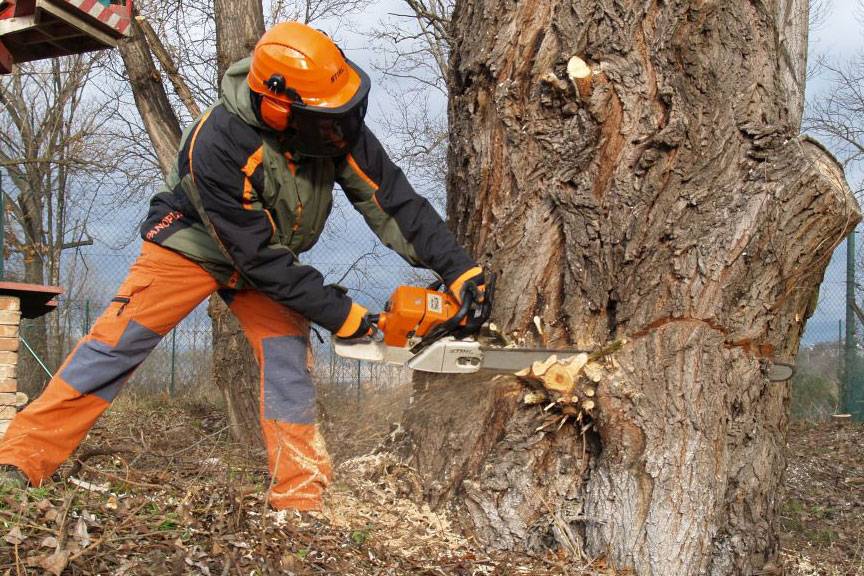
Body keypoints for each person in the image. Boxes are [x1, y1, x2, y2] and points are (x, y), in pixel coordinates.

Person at [0, 21, 484, 512]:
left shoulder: (331, 127)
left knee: (286, 361)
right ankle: (20, 459)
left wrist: (458, 269)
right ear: (277, 105)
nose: (340, 128)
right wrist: (342, 314)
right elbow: (253, 257)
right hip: (192, 244)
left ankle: (299, 497)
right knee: (115, 344)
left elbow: (395, 203)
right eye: (327, 118)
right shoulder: (219, 143)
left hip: (267, 252)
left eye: (343, 113)